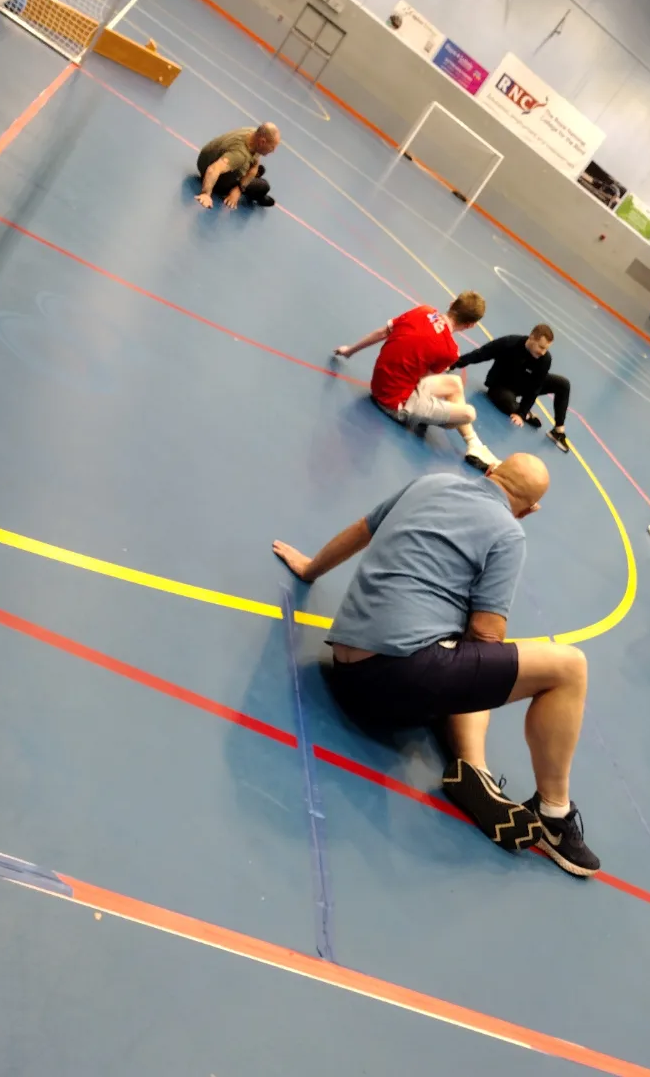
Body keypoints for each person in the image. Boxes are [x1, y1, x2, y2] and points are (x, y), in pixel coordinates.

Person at [272, 454, 600, 877]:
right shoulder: (508, 532)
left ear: (489, 472)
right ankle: (554, 814)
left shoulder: (430, 482)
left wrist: (310, 568)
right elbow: (486, 638)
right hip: (394, 684)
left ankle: (473, 771)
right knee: (569, 666)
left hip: (345, 664)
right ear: (530, 509)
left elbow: (362, 530)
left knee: (460, 652)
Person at [334, 293, 499, 472]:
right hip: (393, 403)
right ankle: (472, 442)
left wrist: (349, 350)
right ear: (470, 325)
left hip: (379, 383)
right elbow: (424, 379)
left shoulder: (423, 311)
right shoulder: (450, 350)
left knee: (456, 383)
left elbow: (382, 332)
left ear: (452, 303)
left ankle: (474, 445)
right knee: (469, 413)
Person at [452, 324, 572, 453]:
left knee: (563, 384)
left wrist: (521, 413)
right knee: (508, 403)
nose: (542, 352)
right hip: (501, 385)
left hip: (524, 384)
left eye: (546, 349)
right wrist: (454, 363)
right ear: (531, 337)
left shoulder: (544, 359)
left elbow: (535, 388)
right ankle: (526, 414)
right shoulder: (510, 343)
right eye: (541, 347)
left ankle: (558, 431)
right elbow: (482, 353)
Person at [195, 123, 280, 210]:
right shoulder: (239, 155)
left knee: (258, 169)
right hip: (216, 180)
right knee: (263, 186)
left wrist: (239, 189)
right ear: (262, 142)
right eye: (272, 147)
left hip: (206, 161)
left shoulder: (253, 133)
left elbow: (255, 164)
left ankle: (251, 175)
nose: (273, 151)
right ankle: (259, 196)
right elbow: (213, 169)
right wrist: (206, 194)